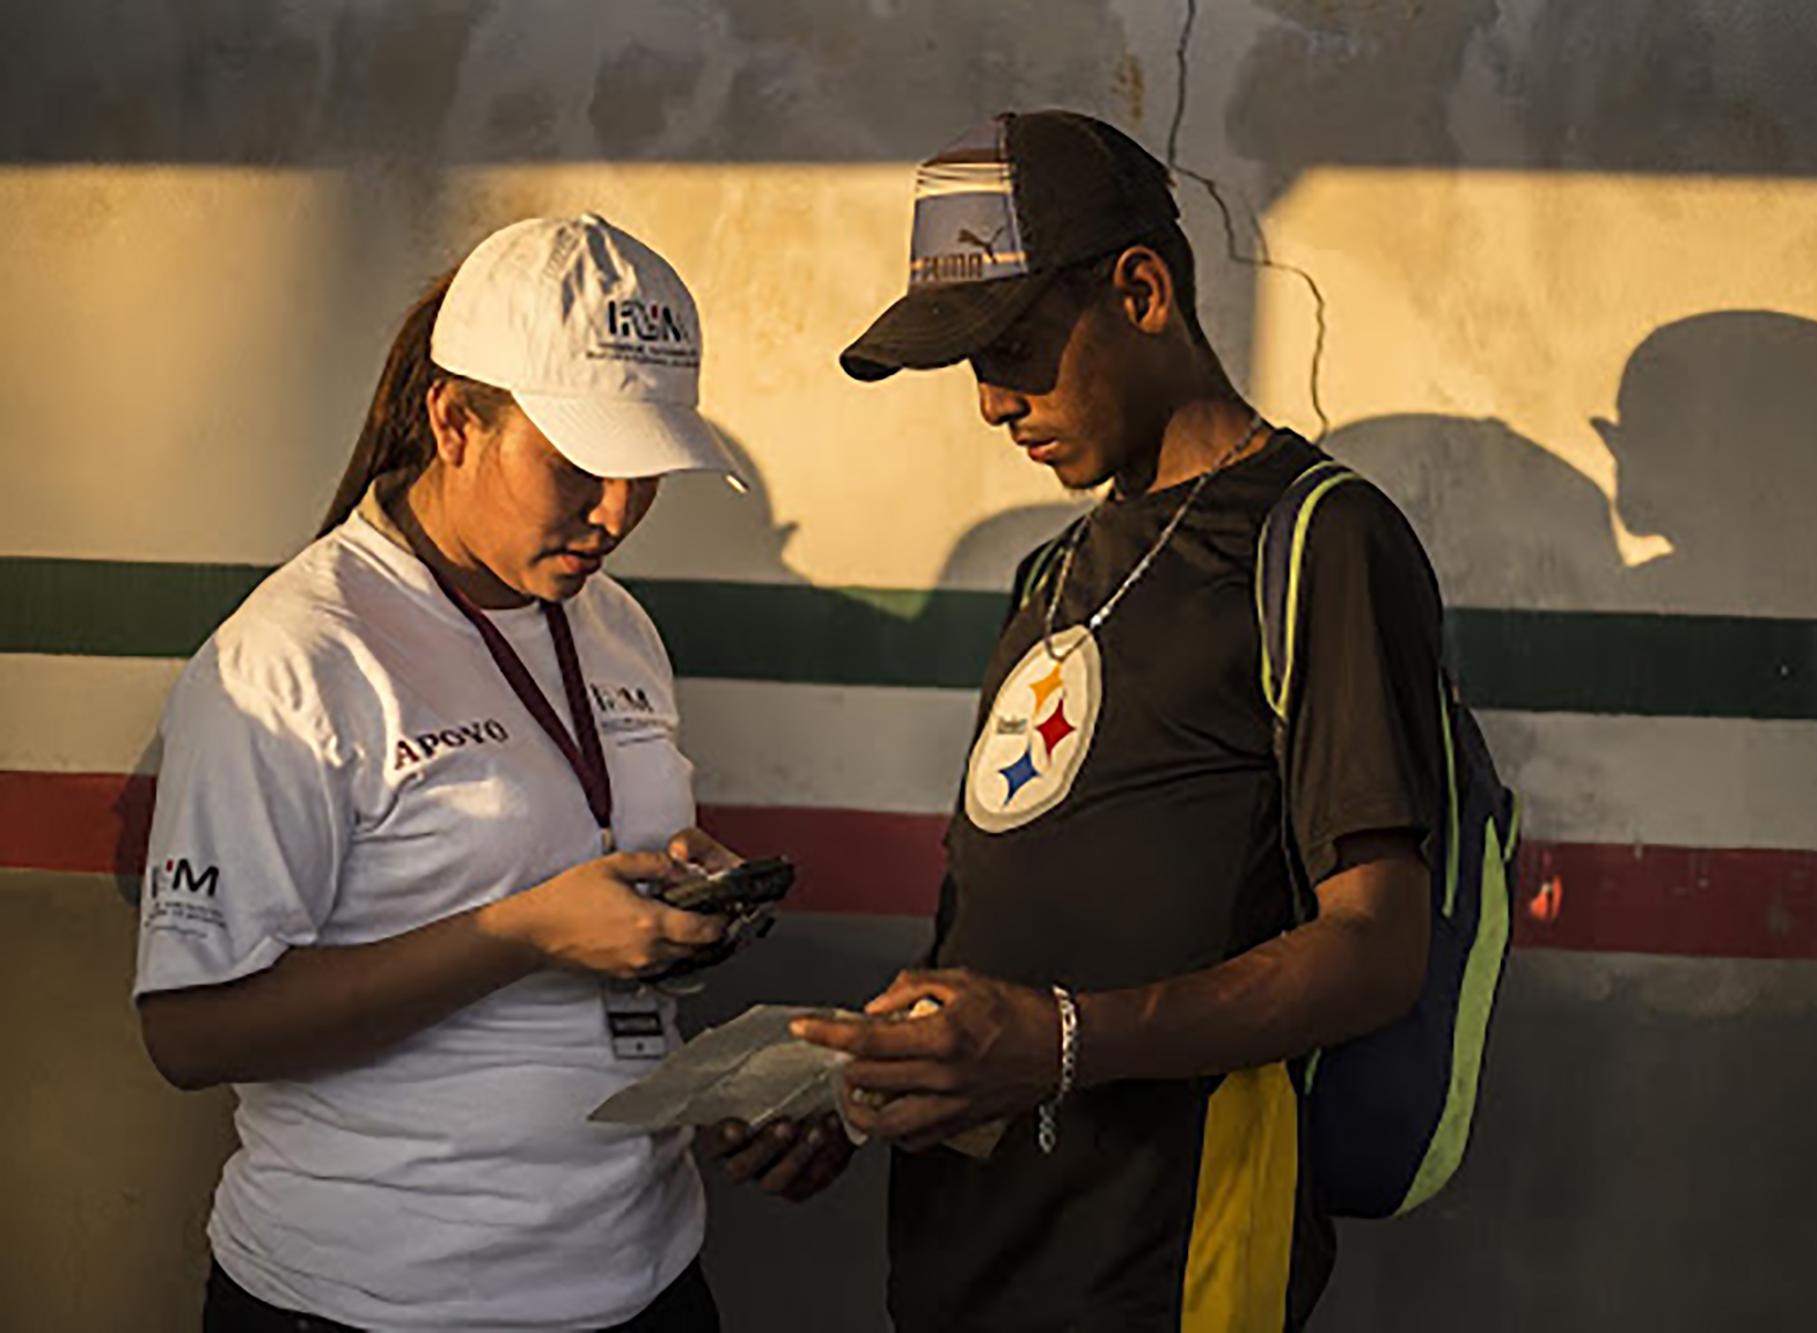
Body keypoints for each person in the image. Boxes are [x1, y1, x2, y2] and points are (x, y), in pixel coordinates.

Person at [721, 110, 1449, 1330]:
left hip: (1163, 1267)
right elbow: (1016, 929)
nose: (991, 401)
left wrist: (1059, 1041)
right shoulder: (1051, 570)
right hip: (965, 1260)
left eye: (1011, 346)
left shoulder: (1317, 539)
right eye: (968, 363)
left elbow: (1377, 947)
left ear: (1142, 289)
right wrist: (889, 1069)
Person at [136, 214, 756, 1331]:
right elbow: (190, 1033)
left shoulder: (613, 625)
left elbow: (573, 863)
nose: (615, 514)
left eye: (646, 472)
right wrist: (521, 932)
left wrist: (673, 892)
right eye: (576, 465)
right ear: (454, 420)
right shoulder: (296, 653)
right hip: (379, 1300)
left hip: (644, 1274)